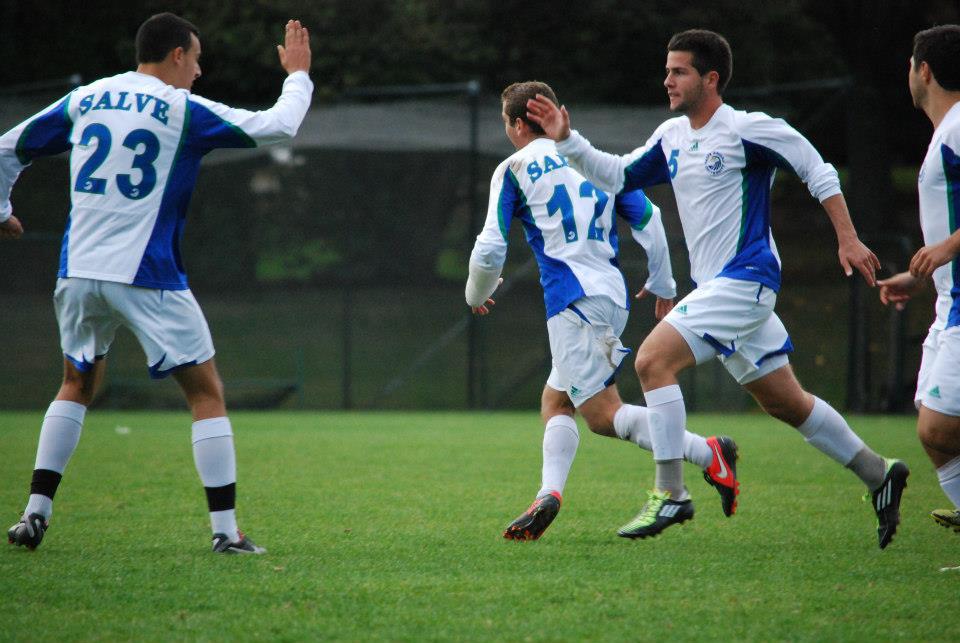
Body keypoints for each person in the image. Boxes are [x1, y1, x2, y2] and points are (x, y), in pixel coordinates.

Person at [526, 29, 909, 547]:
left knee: (651, 361)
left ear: (711, 78)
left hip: (747, 279)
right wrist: (567, 140)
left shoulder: (749, 129)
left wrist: (847, 238)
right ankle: (878, 472)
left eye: (679, 71)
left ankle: (672, 493)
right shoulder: (671, 137)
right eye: (667, 70)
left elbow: (817, 169)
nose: (668, 80)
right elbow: (617, 176)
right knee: (786, 402)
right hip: (718, 288)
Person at [1, 13, 313, 554]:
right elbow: (278, 125)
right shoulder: (181, 109)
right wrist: (299, 74)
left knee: (76, 384)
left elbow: (6, 147)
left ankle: (33, 515)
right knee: (206, 393)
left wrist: (1, 209)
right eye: (195, 58)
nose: (199, 70)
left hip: (77, 271)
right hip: (147, 274)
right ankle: (225, 533)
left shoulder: (87, 97)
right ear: (175, 55)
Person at [466, 81, 740, 541]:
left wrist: (476, 295)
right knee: (556, 399)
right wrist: (663, 282)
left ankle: (706, 452)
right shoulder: (587, 157)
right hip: (609, 295)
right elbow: (650, 220)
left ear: (516, 125)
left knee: (601, 414)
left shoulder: (512, 168)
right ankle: (548, 493)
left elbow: (491, 245)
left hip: (573, 302)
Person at [879, 24, 960, 540]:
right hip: (948, 301)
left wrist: (947, 249)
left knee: (938, 425)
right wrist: (920, 274)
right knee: (935, 431)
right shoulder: (945, 130)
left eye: (910, 65)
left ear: (923, 70)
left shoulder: (958, 125)